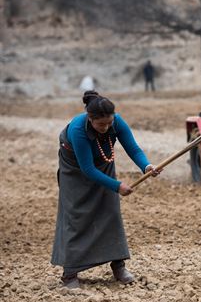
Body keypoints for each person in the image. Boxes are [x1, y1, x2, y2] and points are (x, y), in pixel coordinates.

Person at [52, 91, 162, 288]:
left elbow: (133, 148)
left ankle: (118, 265)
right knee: (76, 214)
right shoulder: (78, 129)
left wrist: (146, 166)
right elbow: (87, 169)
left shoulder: (115, 121)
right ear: (90, 118)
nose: (106, 127)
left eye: (109, 123)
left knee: (110, 210)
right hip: (76, 167)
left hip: (103, 163)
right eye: (101, 124)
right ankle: (70, 273)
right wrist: (117, 185)